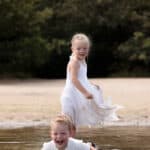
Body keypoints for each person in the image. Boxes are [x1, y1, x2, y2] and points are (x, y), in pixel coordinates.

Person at [61, 33, 122, 127]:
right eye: (79, 48)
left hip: (76, 95)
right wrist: (85, 93)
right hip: (70, 96)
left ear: (88, 49)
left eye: (85, 48)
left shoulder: (82, 61)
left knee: (73, 123)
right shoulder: (74, 62)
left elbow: (82, 78)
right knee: (67, 121)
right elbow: (74, 79)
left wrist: (91, 85)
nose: (82, 51)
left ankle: (70, 140)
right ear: (72, 49)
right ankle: (59, 138)